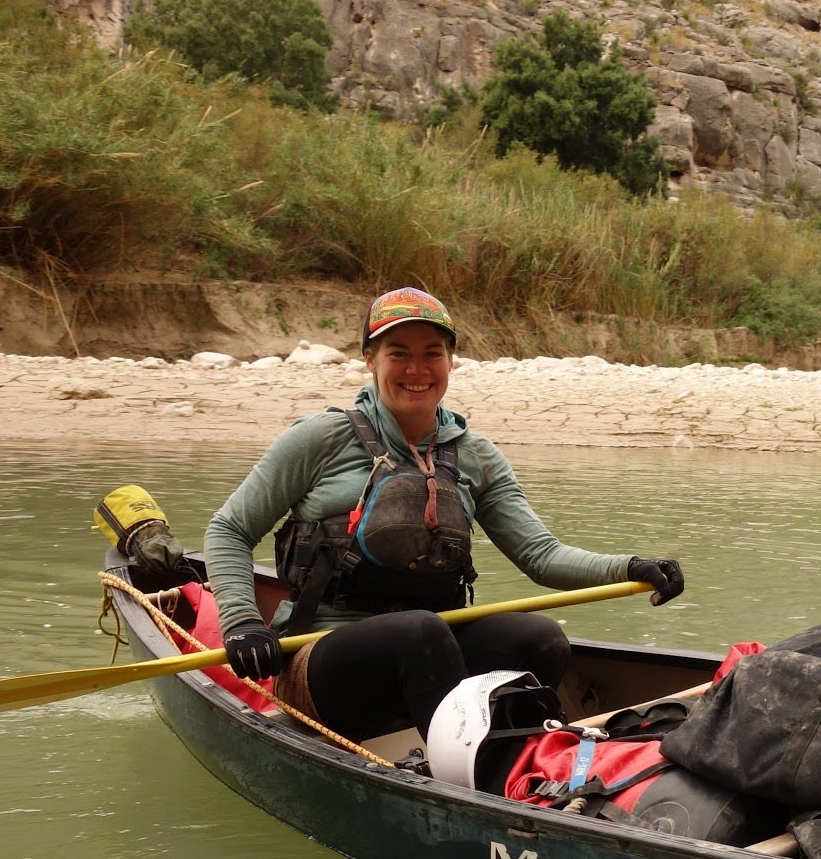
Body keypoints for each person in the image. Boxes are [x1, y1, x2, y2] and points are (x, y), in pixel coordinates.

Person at [204, 286, 684, 744]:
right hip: (316, 662)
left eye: (432, 352)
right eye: (399, 353)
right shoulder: (319, 439)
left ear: (450, 360)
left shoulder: (476, 456)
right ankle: (470, 773)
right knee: (420, 631)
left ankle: (522, 757)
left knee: (538, 636)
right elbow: (229, 529)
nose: (417, 368)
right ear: (370, 359)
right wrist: (243, 623)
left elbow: (541, 555)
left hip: (431, 653)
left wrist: (630, 567)